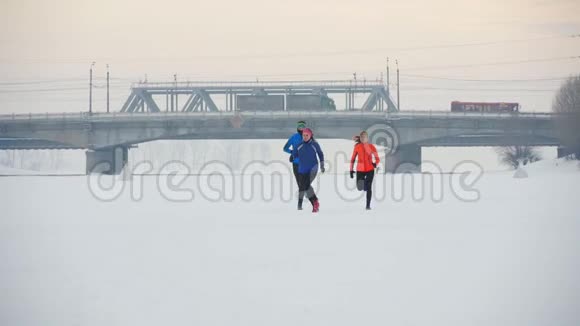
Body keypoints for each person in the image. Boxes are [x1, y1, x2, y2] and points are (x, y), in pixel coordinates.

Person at [292, 128, 325, 212]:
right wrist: (292, 157)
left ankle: (315, 203)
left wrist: (322, 165)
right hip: (302, 168)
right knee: (303, 187)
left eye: (307, 135)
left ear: (310, 136)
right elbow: (294, 154)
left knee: (306, 185)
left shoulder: (315, 144)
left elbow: (320, 154)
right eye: (304, 135)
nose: (305, 137)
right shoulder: (299, 145)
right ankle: (313, 202)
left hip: (313, 167)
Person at [350, 131, 380, 210]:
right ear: (360, 138)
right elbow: (353, 159)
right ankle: (365, 186)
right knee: (359, 187)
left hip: (370, 169)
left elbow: (377, 158)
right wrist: (351, 170)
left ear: (367, 138)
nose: (363, 139)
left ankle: (368, 205)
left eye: (365, 137)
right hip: (360, 170)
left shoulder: (371, 146)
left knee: (369, 187)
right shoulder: (357, 147)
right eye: (362, 137)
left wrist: (375, 164)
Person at [283, 120, 306, 188]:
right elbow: (285, 148)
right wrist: (292, 152)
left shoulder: (308, 137)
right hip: (296, 162)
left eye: (303, 126)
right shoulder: (294, 137)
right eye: (300, 126)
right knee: (299, 181)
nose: (301, 128)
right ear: (297, 128)